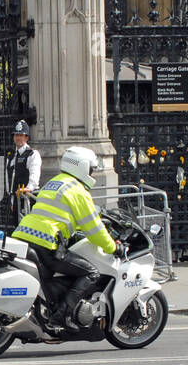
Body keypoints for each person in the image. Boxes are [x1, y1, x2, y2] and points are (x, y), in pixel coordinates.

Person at [11, 146, 118, 330]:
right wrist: (112, 247)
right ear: (83, 167)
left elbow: (58, 215)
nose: (92, 172)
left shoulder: (54, 182)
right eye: (91, 168)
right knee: (91, 273)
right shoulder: (77, 190)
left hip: (23, 235)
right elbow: (94, 229)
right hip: (46, 243)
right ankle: (62, 315)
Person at [9, 120, 42, 224]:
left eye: (21, 135)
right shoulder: (11, 155)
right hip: (15, 199)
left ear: (26, 137)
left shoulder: (32, 154)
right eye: (16, 135)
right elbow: (8, 178)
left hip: (27, 199)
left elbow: (34, 175)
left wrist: (29, 189)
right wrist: (11, 198)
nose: (18, 138)